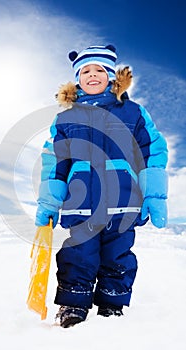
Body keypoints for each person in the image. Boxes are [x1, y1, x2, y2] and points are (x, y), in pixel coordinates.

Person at [35, 45, 168, 328]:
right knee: (78, 254)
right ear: (77, 79)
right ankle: (73, 304)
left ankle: (112, 306)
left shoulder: (133, 112)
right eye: (85, 71)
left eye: (99, 70)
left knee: (117, 256)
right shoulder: (66, 118)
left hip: (124, 201)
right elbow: (55, 161)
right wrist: (49, 201)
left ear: (111, 76)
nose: (92, 75)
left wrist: (153, 195)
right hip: (81, 203)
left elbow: (151, 152)